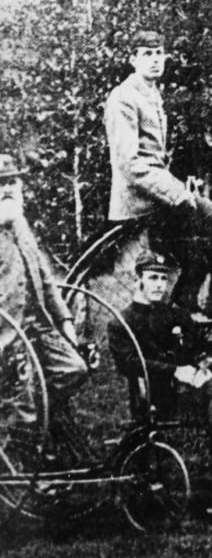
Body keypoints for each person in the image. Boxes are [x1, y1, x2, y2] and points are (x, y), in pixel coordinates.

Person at [105, 30, 212, 312]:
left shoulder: (151, 93)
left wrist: (180, 188)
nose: (154, 60)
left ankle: (184, 306)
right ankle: (183, 306)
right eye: (147, 54)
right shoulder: (123, 98)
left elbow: (156, 161)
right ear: (132, 59)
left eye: (159, 53)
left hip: (157, 196)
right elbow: (130, 164)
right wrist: (175, 193)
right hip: (139, 201)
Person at [108, 251, 212, 482]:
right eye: (153, 278)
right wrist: (173, 370)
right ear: (138, 279)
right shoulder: (121, 322)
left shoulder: (177, 315)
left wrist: (203, 362)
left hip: (190, 389)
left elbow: (196, 348)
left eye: (164, 279)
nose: (160, 285)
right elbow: (129, 363)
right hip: (155, 393)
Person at [0, 154, 88, 428]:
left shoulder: (20, 223)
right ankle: (20, 456)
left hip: (38, 325)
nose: (8, 189)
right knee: (21, 408)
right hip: (6, 332)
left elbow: (44, 277)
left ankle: (41, 422)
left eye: (13, 182)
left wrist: (64, 320)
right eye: (0, 184)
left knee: (74, 369)